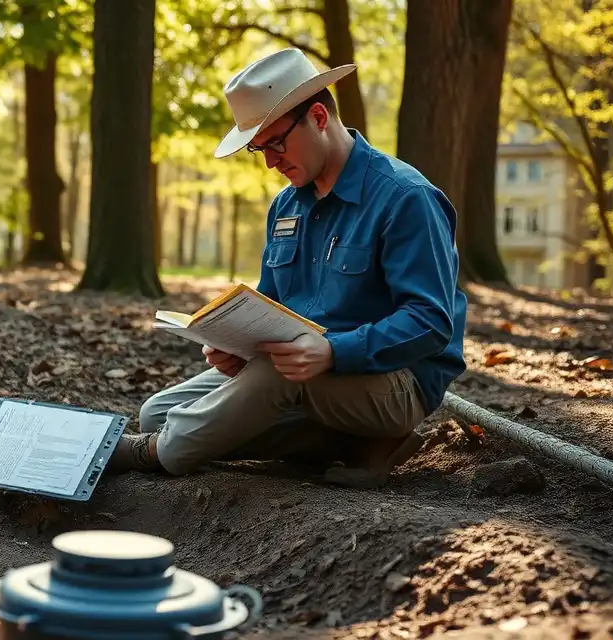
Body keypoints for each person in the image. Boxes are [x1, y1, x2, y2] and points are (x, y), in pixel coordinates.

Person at [107, 48, 468, 488]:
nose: (269, 162)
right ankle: (348, 442)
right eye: (258, 149)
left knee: (253, 388)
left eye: (275, 142)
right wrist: (234, 346)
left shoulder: (406, 198)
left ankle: (153, 453)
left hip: (393, 382)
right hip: (299, 373)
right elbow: (270, 305)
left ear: (318, 117)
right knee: (157, 413)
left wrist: (333, 351)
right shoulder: (286, 206)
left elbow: (431, 323)